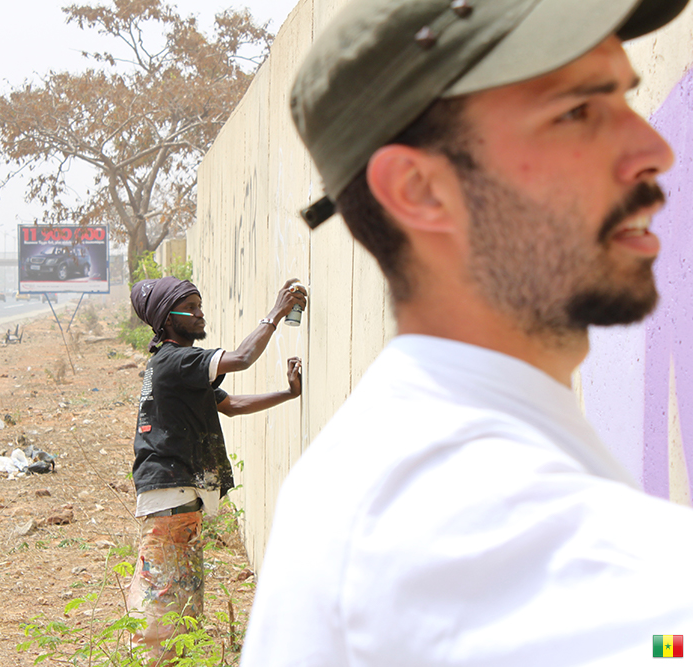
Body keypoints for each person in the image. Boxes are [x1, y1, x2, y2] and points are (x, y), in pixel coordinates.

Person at [241, 1, 693, 665]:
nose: (654, 151)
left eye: (626, 98)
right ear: (420, 190)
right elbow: (666, 636)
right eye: (577, 111)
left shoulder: (418, 442)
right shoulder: (447, 513)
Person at [126, 276, 306, 660]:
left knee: (182, 606)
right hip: (170, 497)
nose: (200, 313)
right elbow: (241, 359)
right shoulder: (176, 360)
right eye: (190, 308)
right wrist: (276, 312)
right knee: (162, 609)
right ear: (168, 319)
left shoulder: (175, 366)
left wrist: (288, 394)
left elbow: (230, 404)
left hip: (176, 499)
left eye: (199, 305)